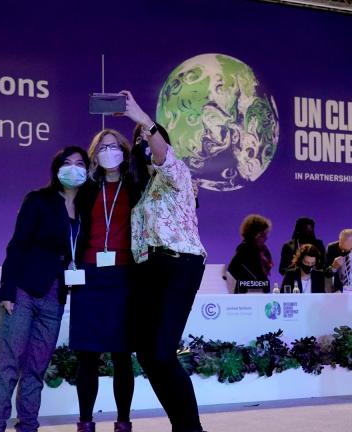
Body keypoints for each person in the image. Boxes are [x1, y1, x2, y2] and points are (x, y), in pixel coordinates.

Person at [0, 146, 90, 432]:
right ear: (56, 168)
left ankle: (28, 426)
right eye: (67, 163)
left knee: (36, 368)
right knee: (7, 364)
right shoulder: (39, 200)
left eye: (80, 163)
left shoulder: (86, 210)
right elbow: (17, 245)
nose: (73, 168)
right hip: (23, 292)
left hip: (55, 297)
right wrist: (6, 289)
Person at [124, 90, 208, 432]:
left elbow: (165, 159)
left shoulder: (178, 175)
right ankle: (180, 425)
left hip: (179, 265)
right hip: (147, 269)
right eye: (140, 140)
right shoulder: (141, 190)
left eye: (149, 137)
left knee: (162, 353)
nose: (145, 142)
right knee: (145, 354)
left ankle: (192, 429)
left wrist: (143, 120)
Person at [68, 128, 143, 432]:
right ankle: (85, 421)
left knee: (122, 355)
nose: (108, 152)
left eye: (114, 147)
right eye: (102, 148)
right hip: (89, 275)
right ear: (94, 156)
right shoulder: (86, 189)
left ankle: (123, 421)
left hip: (125, 276)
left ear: (125, 151)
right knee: (87, 355)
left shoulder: (137, 185)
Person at [227, 214, 273, 294]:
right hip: (245, 294)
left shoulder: (264, 251)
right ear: (254, 235)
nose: (266, 238)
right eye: (263, 235)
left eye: (266, 234)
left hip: (262, 292)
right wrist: (250, 281)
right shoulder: (244, 249)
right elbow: (232, 269)